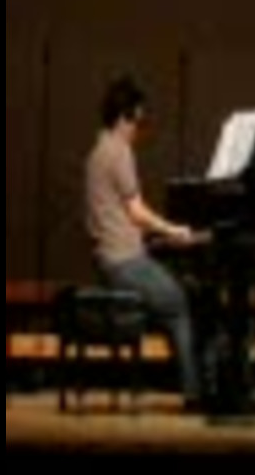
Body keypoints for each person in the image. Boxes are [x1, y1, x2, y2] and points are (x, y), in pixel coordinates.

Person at [85, 75, 209, 413]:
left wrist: (157, 238)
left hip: (110, 261)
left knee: (176, 295)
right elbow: (136, 212)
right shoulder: (119, 150)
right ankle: (195, 394)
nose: (139, 131)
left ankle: (192, 381)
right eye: (138, 122)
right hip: (124, 263)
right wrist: (174, 230)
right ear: (123, 118)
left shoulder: (98, 150)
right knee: (180, 304)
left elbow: (117, 217)